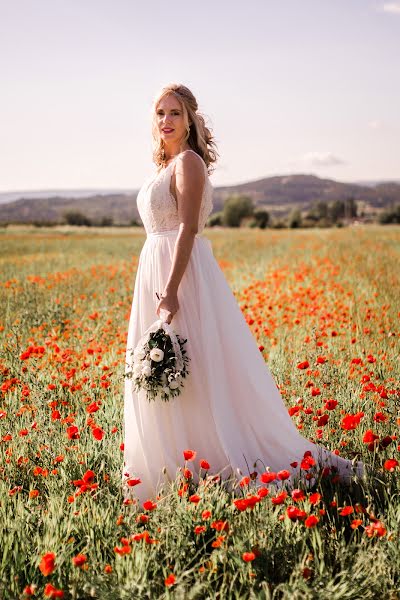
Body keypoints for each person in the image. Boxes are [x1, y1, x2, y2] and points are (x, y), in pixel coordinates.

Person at [122, 83, 364, 508]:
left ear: (191, 118)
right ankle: (173, 464)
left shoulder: (189, 163)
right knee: (169, 370)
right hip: (153, 270)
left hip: (180, 276)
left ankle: (216, 458)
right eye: (160, 113)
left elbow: (187, 229)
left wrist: (172, 290)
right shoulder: (165, 166)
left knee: (192, 365)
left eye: (174, 113)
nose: (165, 121)